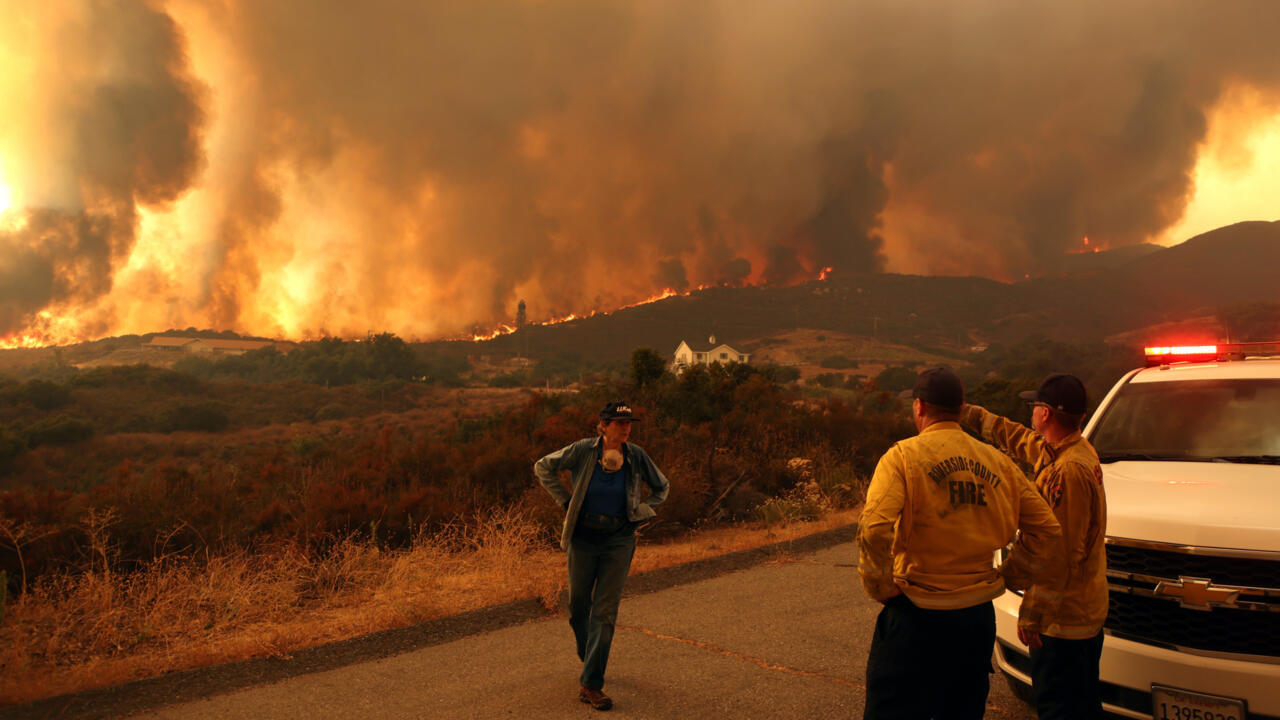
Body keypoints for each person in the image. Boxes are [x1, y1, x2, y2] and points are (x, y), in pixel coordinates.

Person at [858, 367, 1063, 720]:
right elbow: (1047, 529)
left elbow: (875, 527)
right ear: (961, 407)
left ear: (919, 407)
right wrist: (1011, 576)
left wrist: (880, 586)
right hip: (974, 620)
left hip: (914, 615)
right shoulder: (998, 461)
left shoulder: (903, 457)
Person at [959, 373, 1107, 720]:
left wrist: (1033, 612)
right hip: (1081, 612)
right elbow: (1017, 438)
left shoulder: (1067, 472)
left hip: (1064, 622)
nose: (1032, 412)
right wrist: (968, 414)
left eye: (1035, 406)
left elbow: (1058, 553)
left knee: (1059, 706)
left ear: (1046, 414)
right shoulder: (1071, 449)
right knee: (1083, 702)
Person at [533, 401, 670, 712]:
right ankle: (590, 656)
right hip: (583, 538)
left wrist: (644, 509)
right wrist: (565, 500)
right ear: (603, 425)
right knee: (577, 606)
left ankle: (592, 684)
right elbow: (543, 466)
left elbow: (662, 486)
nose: (625, 428)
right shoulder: (583, 450)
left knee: (605, 613)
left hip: (618, 540)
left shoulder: (635, 455)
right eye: (619, 423)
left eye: (628, 423)